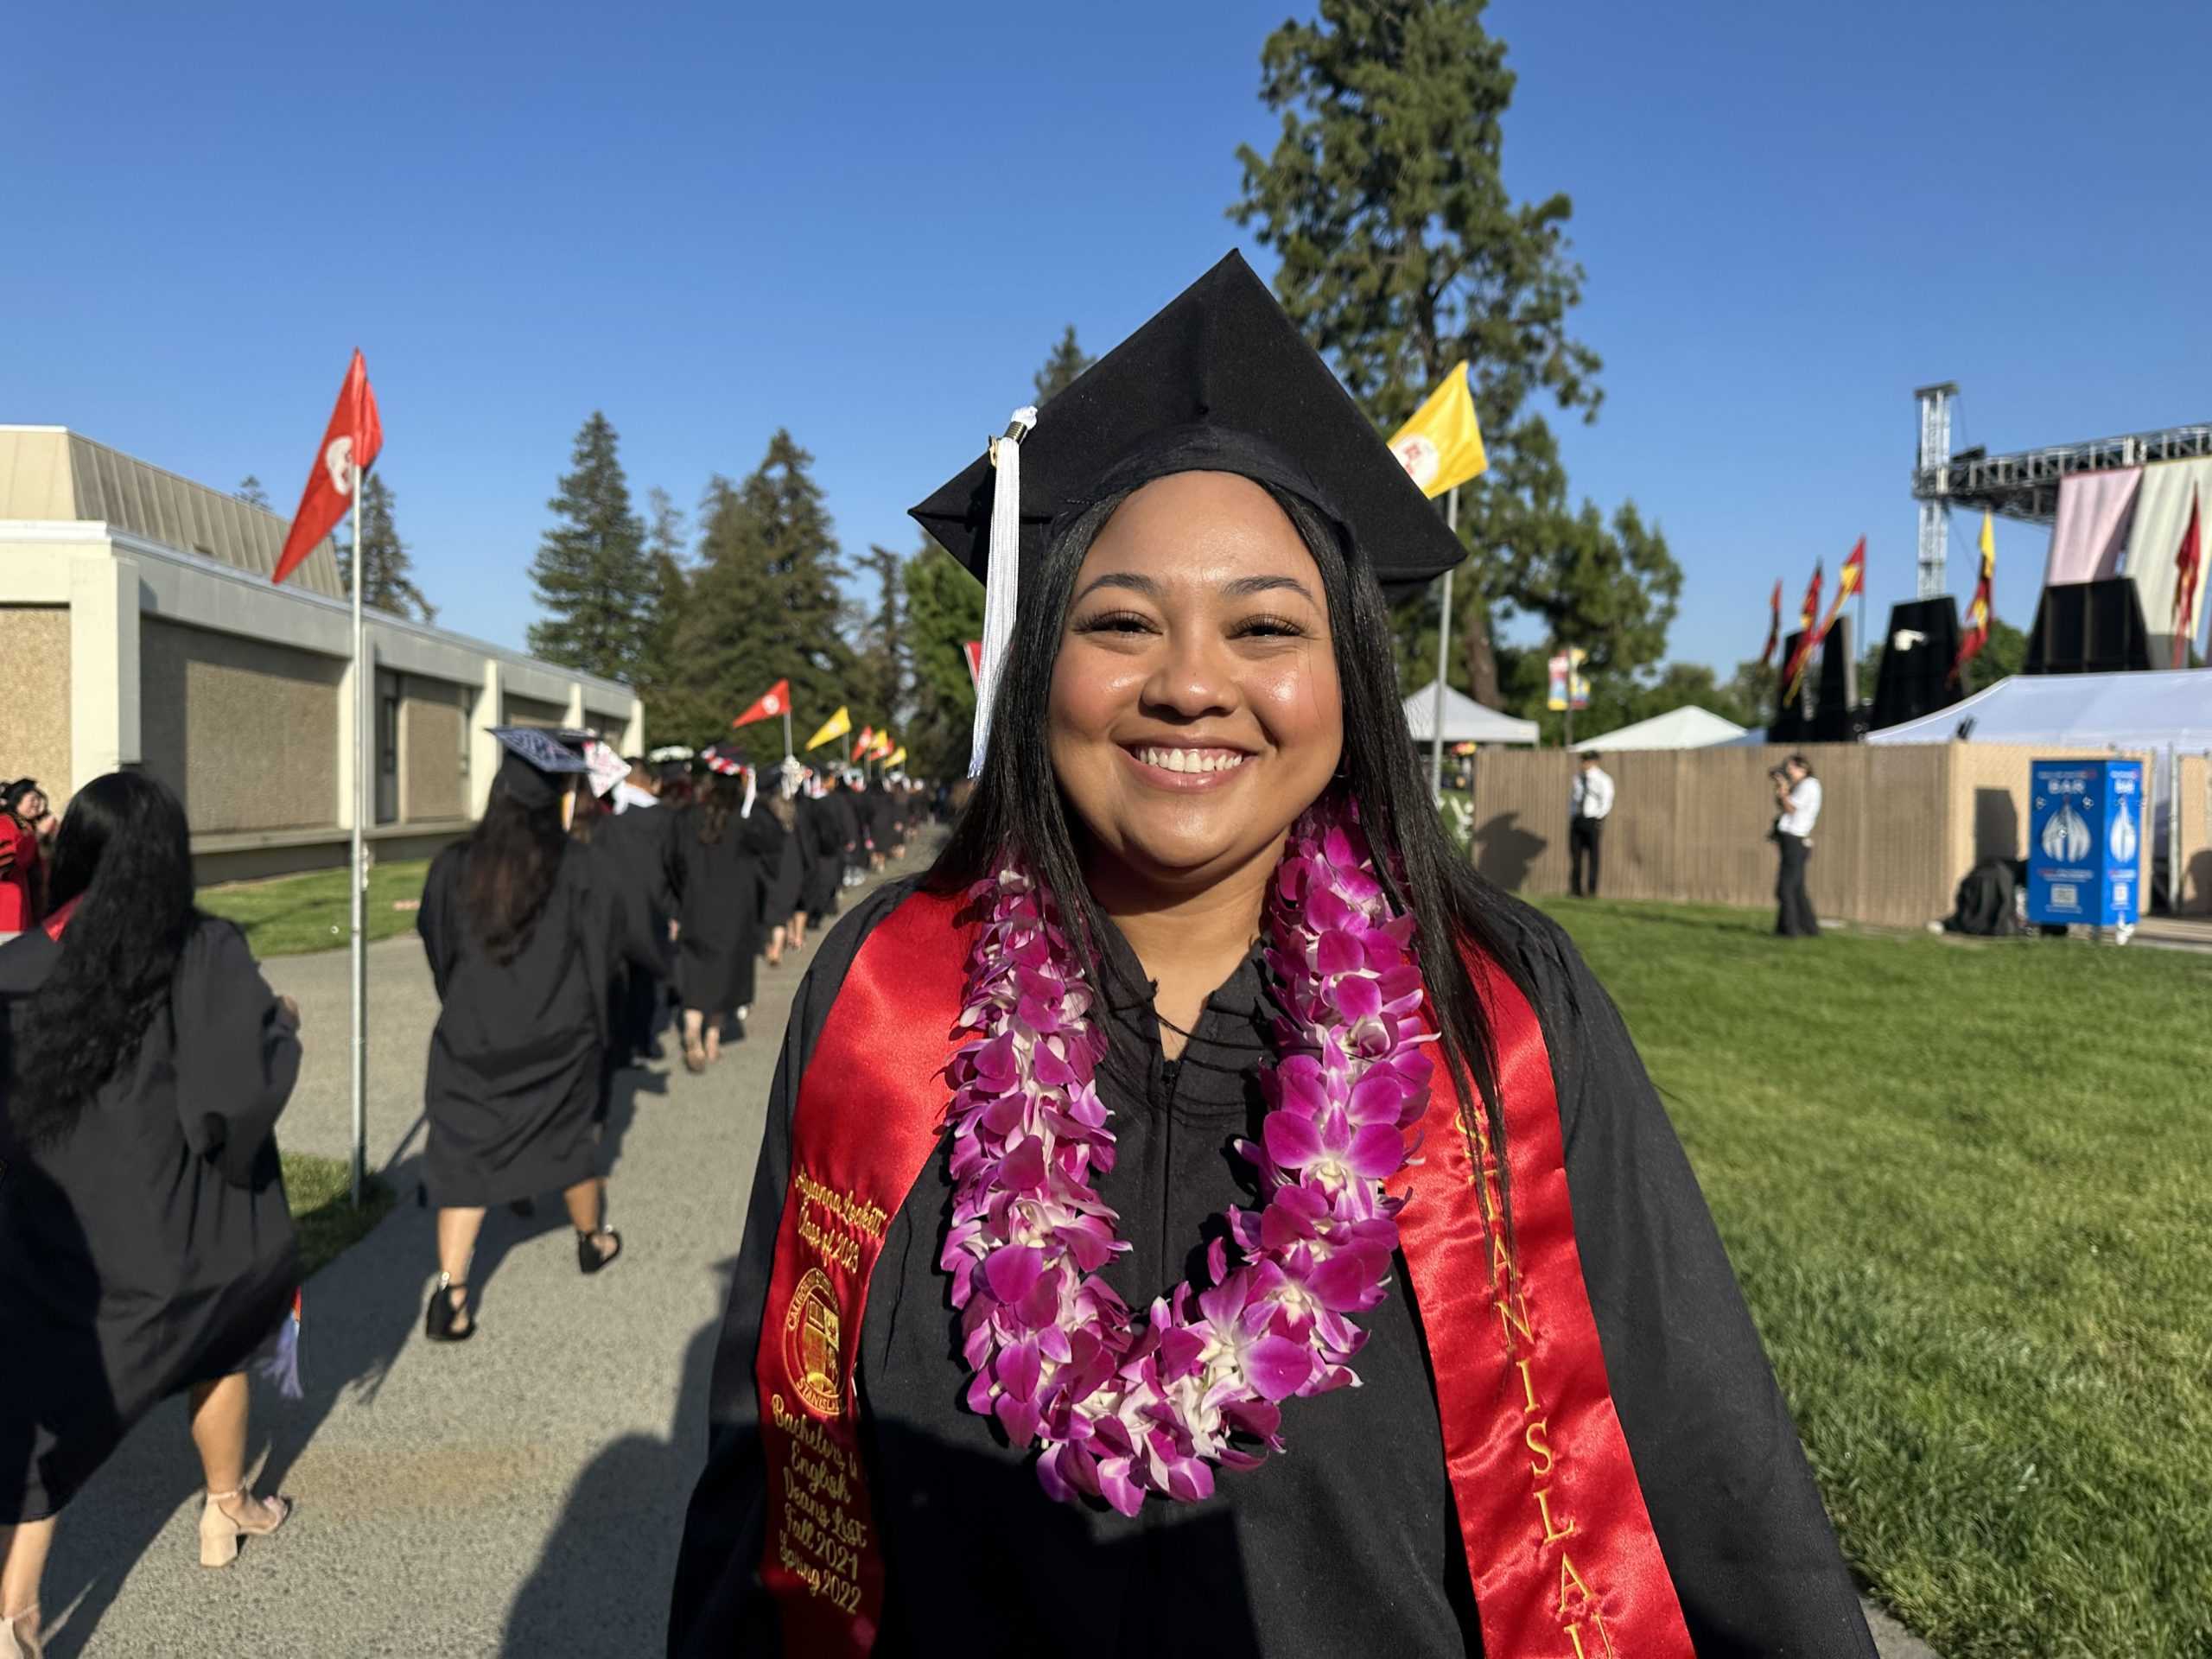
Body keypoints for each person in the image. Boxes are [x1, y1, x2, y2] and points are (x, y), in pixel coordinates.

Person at [667, 254, 1873, 1657]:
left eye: (1264, 627)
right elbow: (776, 1464)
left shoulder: (1497, 1017)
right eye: (1121, 622)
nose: (1190, 680)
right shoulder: (887, 994)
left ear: (1347, 680)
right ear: (1039, 663)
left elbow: (1705, 1477)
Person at [1, 772, 302, 1658]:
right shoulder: (202, 950)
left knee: (49, 1403)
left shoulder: (19, 961)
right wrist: (282, 1032)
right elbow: (230, 1102)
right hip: (179, 1233)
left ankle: (15, 1612)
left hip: (65, 1246)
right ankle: (225, 1513)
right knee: (220, 1337)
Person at [415, 728, 647, 1343]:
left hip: (471, 1039)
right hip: (558, 1042)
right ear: (558, 799)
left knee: (464, 1159)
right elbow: (603, 958)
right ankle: (592, 1241)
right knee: (569, 1144)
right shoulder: (582, 869)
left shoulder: (453, 866)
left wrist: (463, 1006)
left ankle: (449, 1293)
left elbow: (439, 950)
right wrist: (602, 1030)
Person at [674, 754, 767, 1072]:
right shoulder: (743, 825)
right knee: (726, 976)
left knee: (697, 974)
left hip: (696, 907)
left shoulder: (690, 819)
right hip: (733, 914)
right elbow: (771, 848)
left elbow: (675, 862)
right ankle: (712, 1038)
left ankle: (691, 1031)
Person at [1773, 752, 1823, 938]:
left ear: (1803, 767)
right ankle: (1810, 928)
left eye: (1791, 768)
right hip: (1795, 840)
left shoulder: (1808, 785)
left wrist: (1784, 789)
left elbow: (1790, 808)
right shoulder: (1806, 785)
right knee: (1797, 888)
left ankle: (1790, 930)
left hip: (1795, 840)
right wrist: (1782, 789)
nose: (1789, 772)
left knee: (1784, 888)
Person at [0, 782, 48, 940]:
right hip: (6, 903)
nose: (37, 804)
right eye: (32, 800)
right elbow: (11, 862)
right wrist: (38, 837)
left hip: (23, 901)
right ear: (17, 800)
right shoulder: (4, 824)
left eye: (39, 800)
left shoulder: (26, 826)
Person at [1567, 750, 1613, 897]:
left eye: (1587, 761)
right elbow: (1574, 799)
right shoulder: (1577, 778)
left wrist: (1599, 817)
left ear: (1594, 762)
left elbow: (1607, 800)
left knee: (1593, 856)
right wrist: (1572, 814)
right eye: (1583, 761)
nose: (1584, 764)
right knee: (1575, 856)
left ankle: (1591, 890)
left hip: (1592, 819)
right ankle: (1576, 890)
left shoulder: (1603, 779)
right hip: (1577, 819)